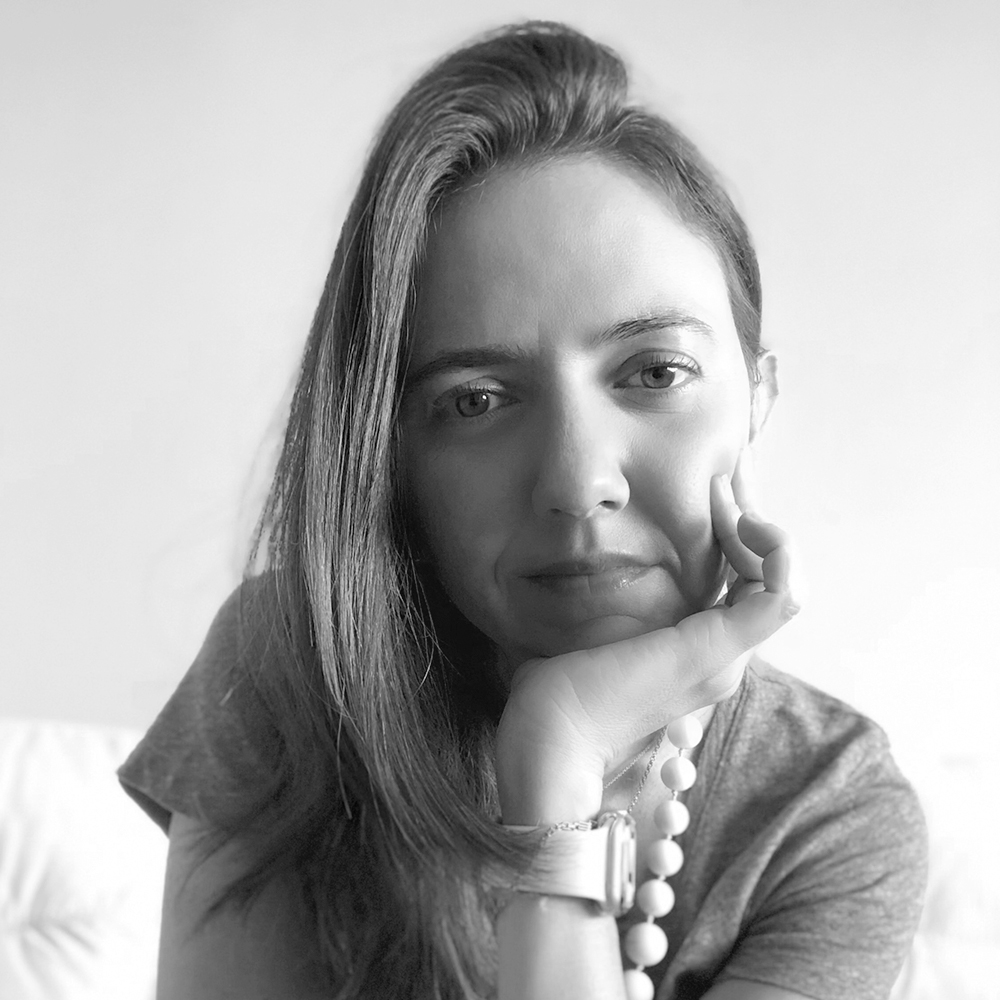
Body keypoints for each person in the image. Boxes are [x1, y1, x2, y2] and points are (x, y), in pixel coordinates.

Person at [119, 21, 927, 1000]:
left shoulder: (827, 811)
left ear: (755, 398)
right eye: (475, 400)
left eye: (654, 372)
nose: (577, 481)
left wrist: (557, 758)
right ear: (391, 450)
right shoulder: (288, 671)